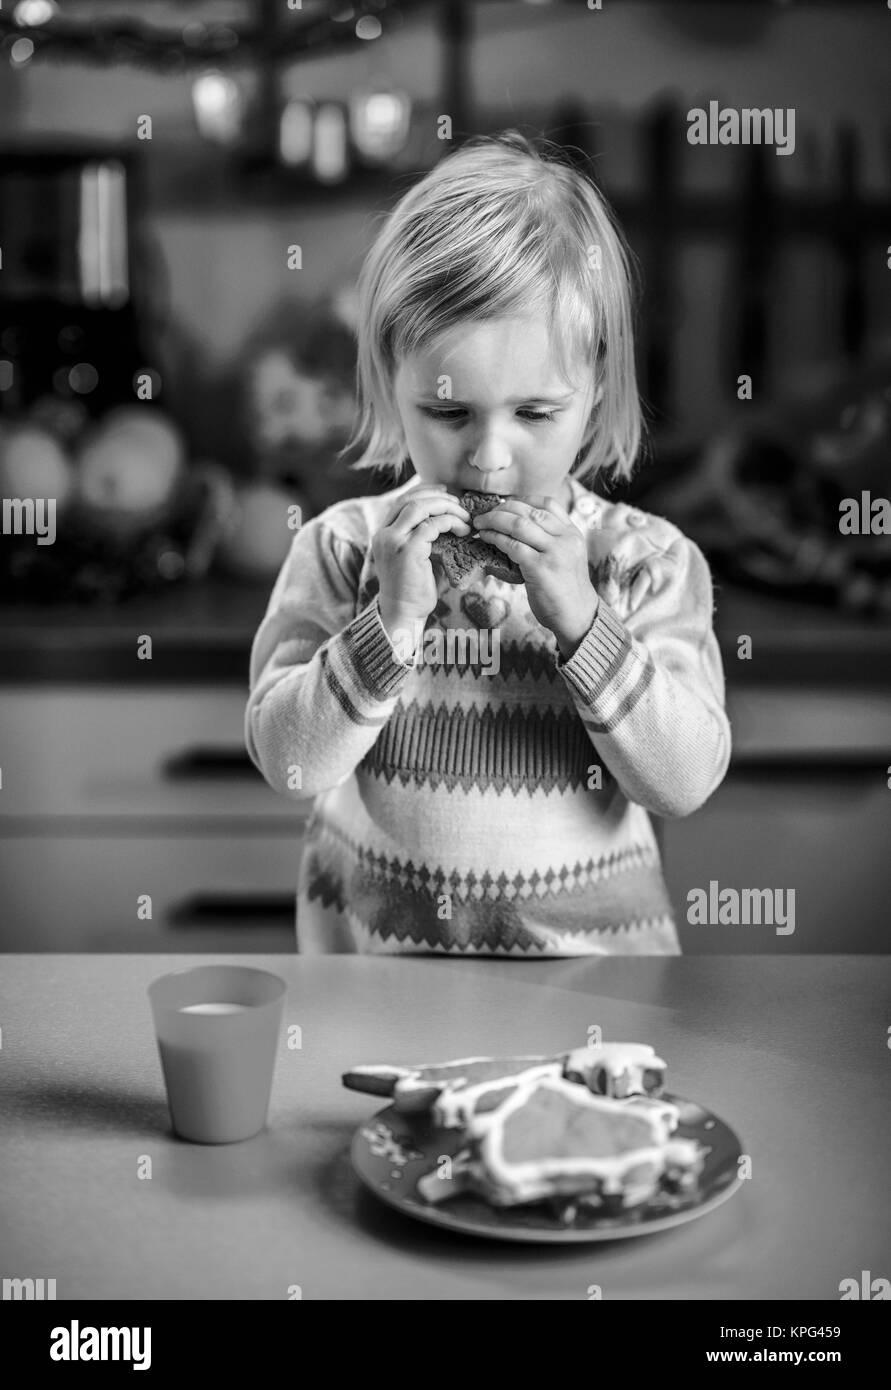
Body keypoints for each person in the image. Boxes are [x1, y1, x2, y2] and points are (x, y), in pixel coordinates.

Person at [244, 131, 731, 955]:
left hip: (594, 1002)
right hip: (378, 996)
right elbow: (288, 762)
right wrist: (388, 628)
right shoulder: (342, 550)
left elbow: (682, 783)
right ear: (388, 385)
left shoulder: (644, 564)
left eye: (534, 413)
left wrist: (585, 625)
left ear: (599, 386)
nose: (490, 456)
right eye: (448, 411)